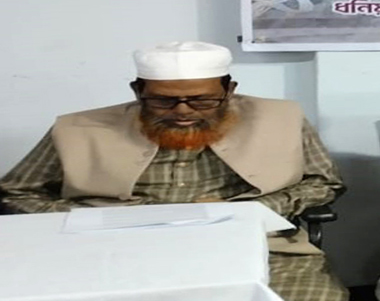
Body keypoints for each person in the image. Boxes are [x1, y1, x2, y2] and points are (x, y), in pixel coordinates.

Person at [0, 42, 346, 301]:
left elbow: (323, 182)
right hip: (105, 251)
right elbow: (17, 192)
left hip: (254, 244)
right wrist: (86, 219)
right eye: (163, 101)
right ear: (138, 91)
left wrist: (257, 210)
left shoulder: (281, 118)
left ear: (229, 90)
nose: (183, 111)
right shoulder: (78, 128)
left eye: (202, 100)